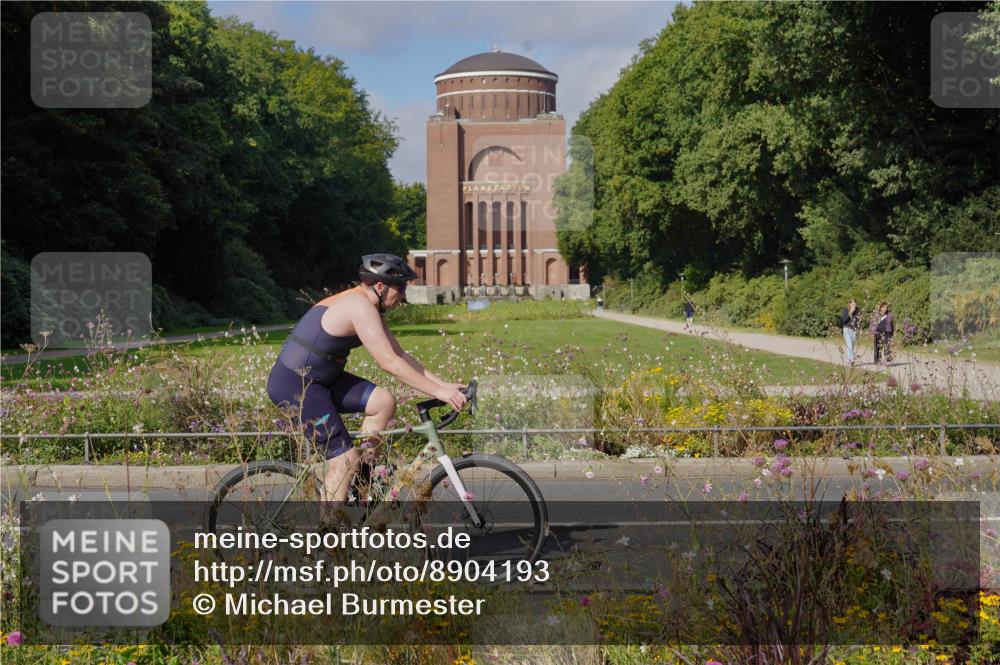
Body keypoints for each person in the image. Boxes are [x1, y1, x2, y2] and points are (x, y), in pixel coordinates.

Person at [266, 254, 467, 505]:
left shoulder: (369, 306)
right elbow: (389, 363)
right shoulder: (360, 307)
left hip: (322, 380)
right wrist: (439, 393)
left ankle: (362, 481)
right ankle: (328, 536)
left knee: (382, 402)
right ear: (380, 287)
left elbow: (400, 354)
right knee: (344, 460)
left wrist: (444, 387)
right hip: (296, 385)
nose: (403, 295)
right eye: (400, 287)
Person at [839, 299, 861, 364]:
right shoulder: (845, 310)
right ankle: (851, 360)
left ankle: (849, 359)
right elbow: (843, 321)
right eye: (853, 304)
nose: (854, 306)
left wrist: (859, 329)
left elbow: (859, 321)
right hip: (846, 329)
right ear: (849, 304)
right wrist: (850, 313)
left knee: (852, 345)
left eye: (855, 304)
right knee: (849, 344)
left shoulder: (857, 311)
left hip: (854, 330)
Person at [873, 301, 894, 365]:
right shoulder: (877, 315)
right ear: (880, 308)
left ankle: (888, 360)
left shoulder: (889, 315)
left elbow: (892, 324)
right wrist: (873, 331)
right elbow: (873, 324)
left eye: (886, 307)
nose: (885, 309)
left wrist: (892, 332)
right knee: (878, 347)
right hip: (878, 332)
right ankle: (877, 360)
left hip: (887, 332)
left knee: (887, 346)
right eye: (883, 307)